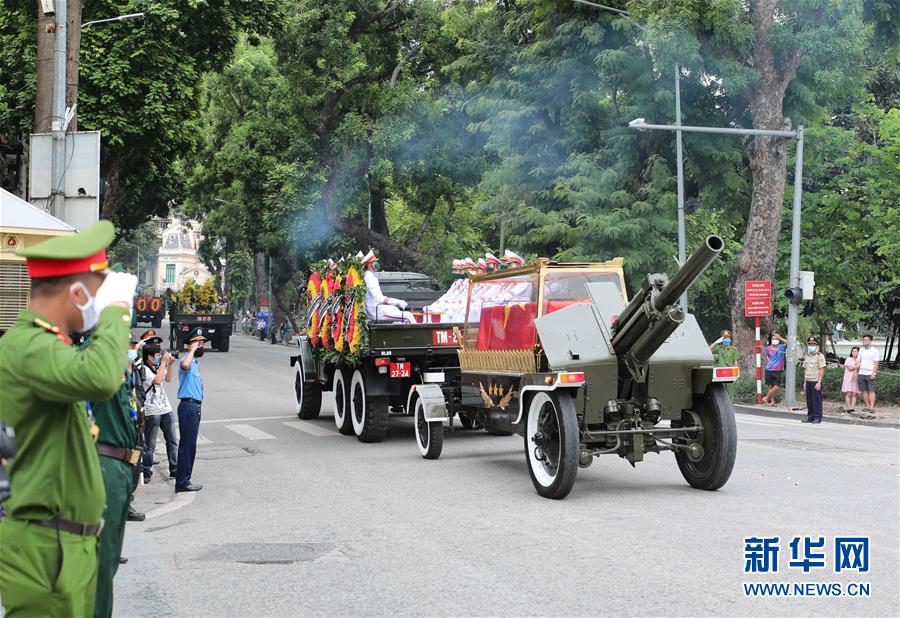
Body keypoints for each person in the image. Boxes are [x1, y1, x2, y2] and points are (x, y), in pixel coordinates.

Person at [0, 220, 137, 617]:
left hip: (64, 543)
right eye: (98, 289)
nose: (101, 300)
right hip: (45, 548)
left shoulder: (47, 345)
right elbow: (101, 377)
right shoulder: (28, 345)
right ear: (78, 293)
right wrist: (116, 312)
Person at [87, 327, 144, 618]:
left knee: (108, 562)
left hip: (121, 467)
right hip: (103, 465)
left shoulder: (120, 365)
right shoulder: (95, 356)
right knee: (98, 567)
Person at [140, 334, 179, 483]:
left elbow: (168, 379)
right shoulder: (144, 369)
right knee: (150, 444)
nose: (159, 358)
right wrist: (163, 363)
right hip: (152, 411)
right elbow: (157, 381)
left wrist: (170, 365)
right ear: (149, 357)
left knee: (172, 440)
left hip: (165, 408)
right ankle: (146, 471)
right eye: (157, 356)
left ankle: (174, 469)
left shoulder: (157, 367)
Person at [175, 327, 207, 493]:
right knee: (187, 446)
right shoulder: (186, 361)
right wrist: (192, 349)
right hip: (188, 406)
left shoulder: (195, 363)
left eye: (202, 344)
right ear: (190, 345)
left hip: (194, 407)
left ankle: (185, 479)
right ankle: (182, 482)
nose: (202, 346)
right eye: (198, 343)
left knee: (190, 446)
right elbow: (185, 365)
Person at [361, 250, 416, 323]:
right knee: (408, 315)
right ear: (369, 265)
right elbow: (380, 299)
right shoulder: (370, 278)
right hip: (377, 312)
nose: (377, 264)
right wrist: (398, 302)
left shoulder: (368, 276)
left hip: (376, 309)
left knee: (396, 310)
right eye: (374, 262)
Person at [801, 336, 827, 424]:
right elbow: (805, 369)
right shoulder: (806, 355)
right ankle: (810, 416)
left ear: (817, 346)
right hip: (808, 380)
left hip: (816, 381)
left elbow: (822, 369)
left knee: (816, 400)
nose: (811, 346)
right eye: (809, 344)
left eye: (813, 344)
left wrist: (819, 382)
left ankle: (817, 417)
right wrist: (805, 382)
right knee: (809, 400)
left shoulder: (820, 356)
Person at [710, 330, 740, 399]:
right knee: (719, 391)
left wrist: (736, 374)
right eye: (725, 337)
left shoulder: (733, 350)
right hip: (720, 374)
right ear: (722, 338)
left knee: (730, 392)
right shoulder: (718, 348)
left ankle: (730, 404)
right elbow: (709, 349)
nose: (727, 339)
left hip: (729, 374)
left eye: (728, 337)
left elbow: (735, 362)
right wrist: (716, 342)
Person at [762, 332, 787, 405]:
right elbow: (766, 356)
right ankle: (771, 401)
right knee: (770, 387)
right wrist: (767, 361)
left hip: (777, 370)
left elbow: (789, 343)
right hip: (769, 369)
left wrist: (779, 337)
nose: (774, 340)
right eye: (773, 339)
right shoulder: (769, 348)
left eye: (776, 339)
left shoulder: (782, 347)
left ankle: (766, 398)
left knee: (776, 388)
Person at [857, 334, 880, 411]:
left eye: (866, 340)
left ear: (870, 341)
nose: (864, 341)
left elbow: (876, 363)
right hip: (861, 373)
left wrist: (874, 373)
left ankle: (871, 407)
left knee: (871, 390)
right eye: (863, 340)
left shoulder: (875, 351)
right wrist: (856, 369)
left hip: (870, 373)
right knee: (864, 390)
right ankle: (867, 406)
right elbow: (858, 361)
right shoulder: (861, 350)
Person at [841, 346, 861, 413]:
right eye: (853, 351)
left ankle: (852, 408)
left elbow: (860, 369)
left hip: (856, 378)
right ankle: (849, 407)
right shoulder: (848, 359)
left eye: (856, 351)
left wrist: (857, 366)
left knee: (854, 393)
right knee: (849, 393)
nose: (854, 353)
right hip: (848, 378)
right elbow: (849, 368)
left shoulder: (859, 360)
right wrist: (857, 366)